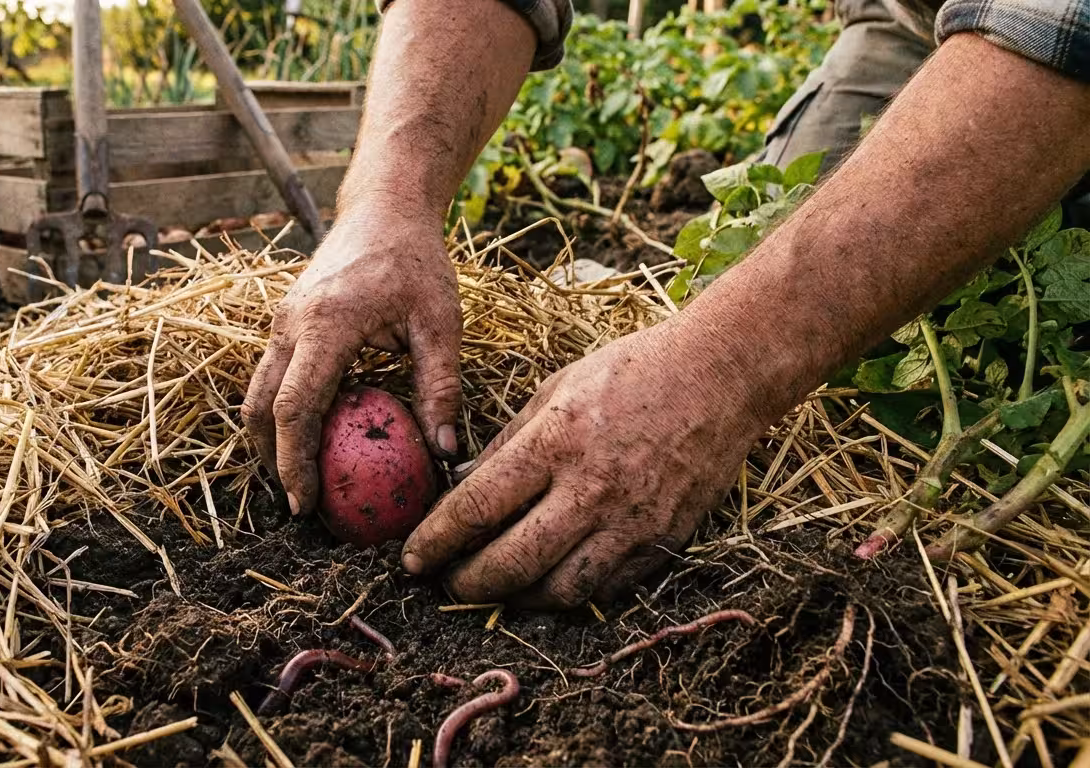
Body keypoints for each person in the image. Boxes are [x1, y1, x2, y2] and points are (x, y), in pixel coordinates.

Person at [241, 0, 1090, 609]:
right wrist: (388, 204)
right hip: (910, 17)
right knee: (763, 239)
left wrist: (722, 368)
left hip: (1044, 34)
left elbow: (1064, 25)